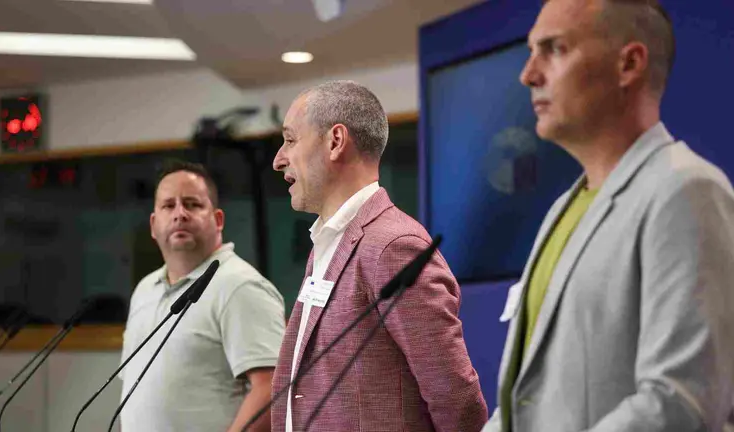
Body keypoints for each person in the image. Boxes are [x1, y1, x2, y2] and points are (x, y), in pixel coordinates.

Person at [483, 0, 734, 431]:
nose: (528, 75)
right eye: (531, 51)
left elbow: (679, 401)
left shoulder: (686, 191)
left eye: (554, 49)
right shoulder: (563, 209)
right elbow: (523, 406)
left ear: (629, 64)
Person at [270, 80, 488, 431]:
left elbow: (456, 400)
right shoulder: (328, 241)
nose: (278, 159)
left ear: (335, 141)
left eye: (291, 140)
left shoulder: (393, 246)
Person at [119, 160, 285, 432]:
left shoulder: (240, 286)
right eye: (168, 205)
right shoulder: (145, 289)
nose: (180, 214)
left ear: (218, 220)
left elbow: (272, 388)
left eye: (192, 204)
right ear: (153, 224)